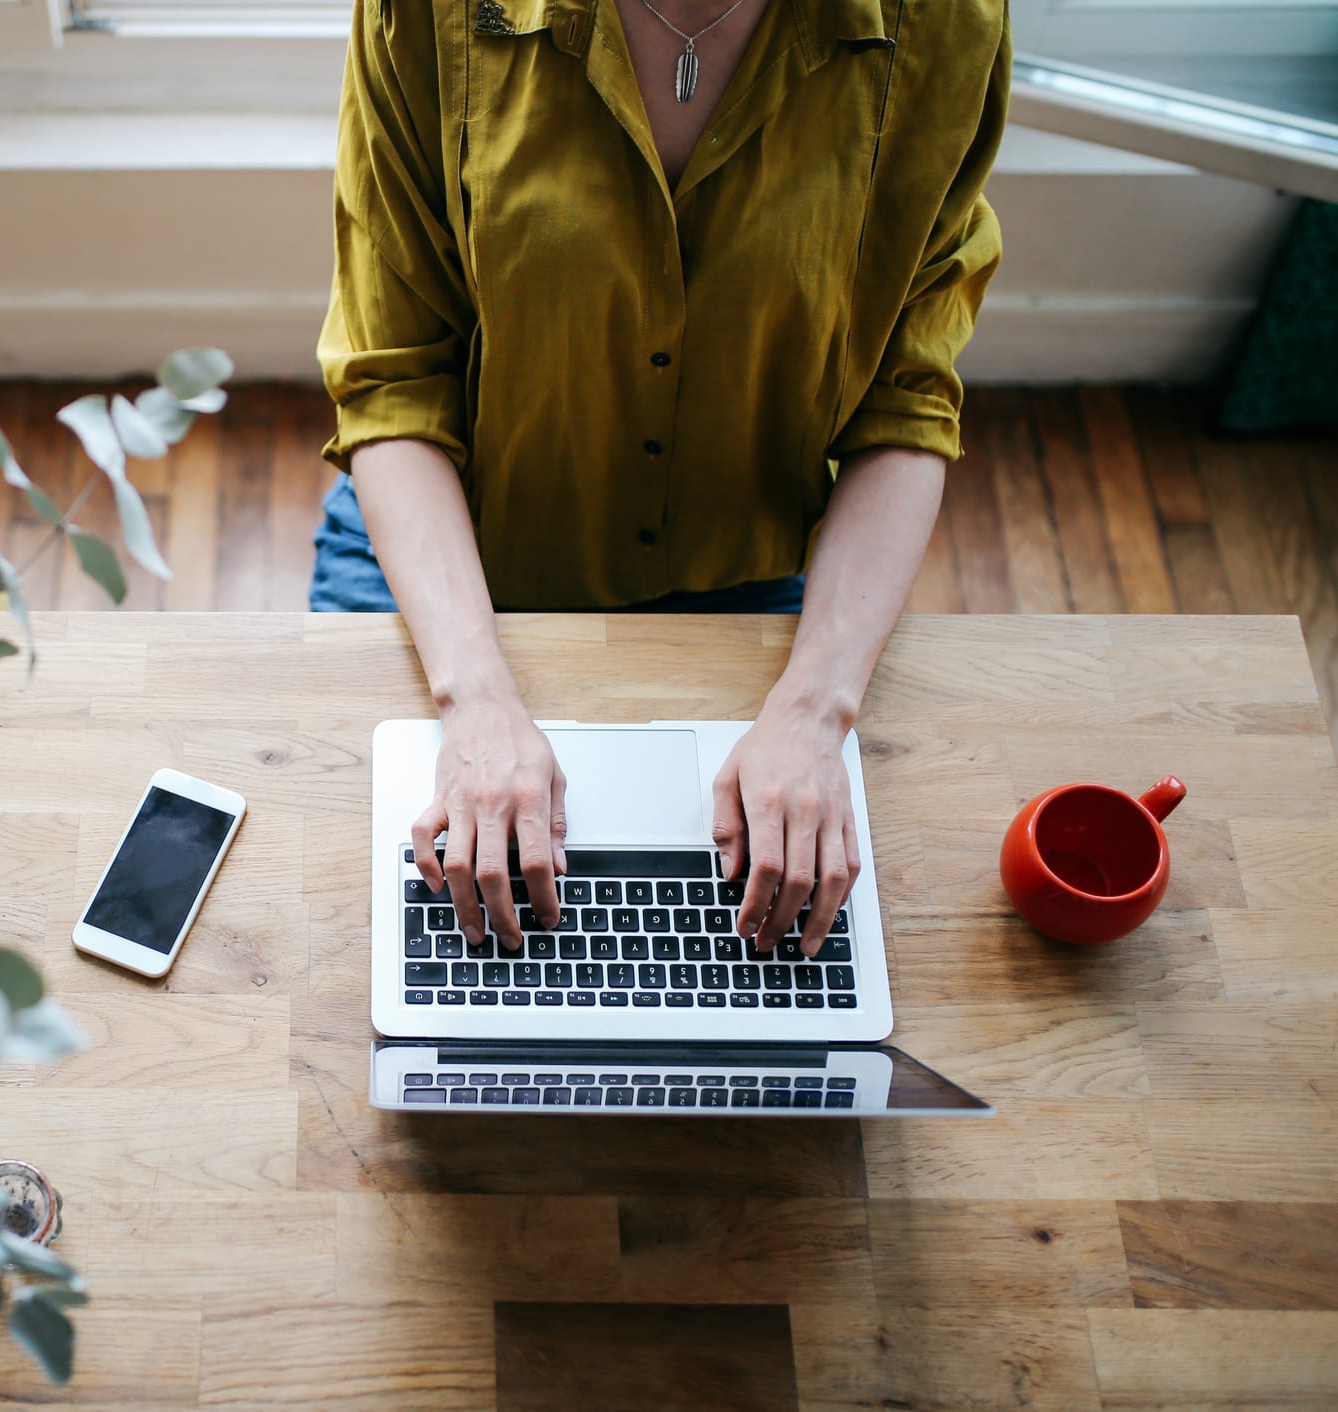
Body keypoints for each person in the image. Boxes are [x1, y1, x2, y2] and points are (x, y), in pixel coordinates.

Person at [313, 0, 1008, 958]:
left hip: (751, 570)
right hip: (450, 553)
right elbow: (394, 380)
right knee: (356, 940)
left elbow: (907, 398)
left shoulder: (947, 24)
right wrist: (475, 702)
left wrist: (815, 712)